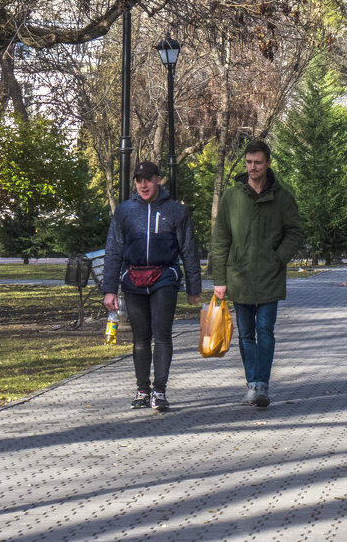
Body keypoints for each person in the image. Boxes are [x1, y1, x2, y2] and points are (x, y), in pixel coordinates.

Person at [101, 161, 202, 412]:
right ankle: (142, 389)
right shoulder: (124, 211)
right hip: (133, 279)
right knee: (141, 338)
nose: (143, 184)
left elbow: (188, 249)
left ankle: (160, 389)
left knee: (162, 334)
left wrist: (193, 287)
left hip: (164, 278)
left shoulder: (176, 211)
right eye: (138, 179)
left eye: (147, 179)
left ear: (158, 180)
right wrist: (110, 289)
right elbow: (113, 250)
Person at [211, 140, 305, 408]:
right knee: (246, 333)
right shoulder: (232, 196)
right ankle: (251, 384)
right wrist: (219, 280)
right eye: (249, 162)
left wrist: (278, 258)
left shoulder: (281, 197)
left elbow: (296, 231)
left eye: (258, 162)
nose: (253, 167)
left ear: (268, 163)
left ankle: (261, 385)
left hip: (269, 276)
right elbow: (220, 239)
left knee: (265, 330)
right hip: (239, 276)